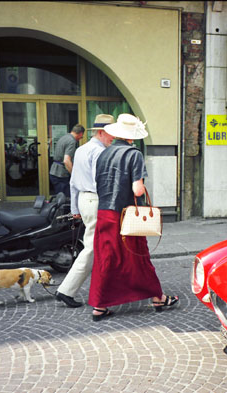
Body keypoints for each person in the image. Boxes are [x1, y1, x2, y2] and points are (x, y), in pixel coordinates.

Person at [88, 113, 178, 321]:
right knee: (138, 257)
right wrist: (144, 185)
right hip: (126, 215)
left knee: (106, 259)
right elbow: (137, 190)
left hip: (104, 212)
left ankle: (99, 306)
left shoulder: (103, 153)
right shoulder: (133, 154)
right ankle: (158, 298)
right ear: (133, 136)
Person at [54, 114, 116, 308]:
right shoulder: (99, 152)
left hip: (84, 199)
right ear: (101, 132)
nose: (113, 138)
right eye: (111, 134)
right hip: (95, 199)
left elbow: (73, 182)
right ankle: (66, 290)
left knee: (96, 246)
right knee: (92, 247)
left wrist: (75, 208)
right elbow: (102, 182)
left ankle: (102, 289)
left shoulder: (81, 149)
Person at [49, 124, 85, 197]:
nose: (81, 138)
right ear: (80, 133)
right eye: (82, 136)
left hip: (55, 171)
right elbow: (66, 160)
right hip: (61, 174)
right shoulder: (72, 141)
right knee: (65, 199)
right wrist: (74, 174)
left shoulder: (64, 137)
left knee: (60, 197)